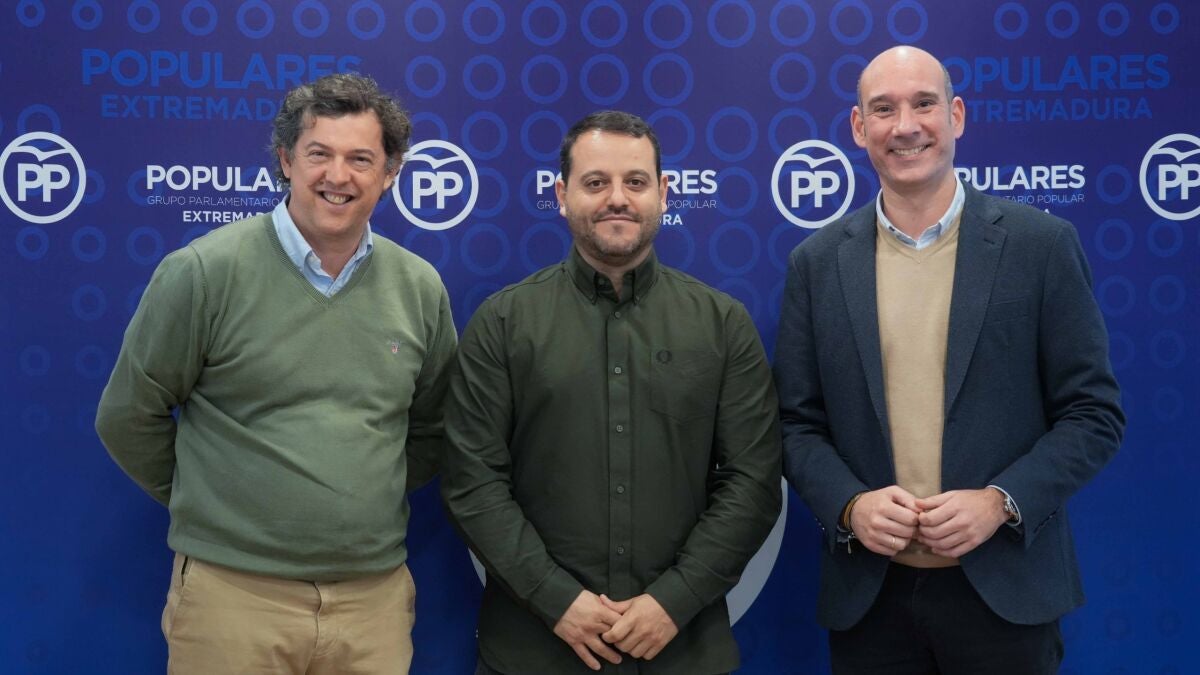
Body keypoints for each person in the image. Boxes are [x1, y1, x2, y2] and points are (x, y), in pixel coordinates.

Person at [775, 46, 1125, 674]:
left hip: (1006, 596)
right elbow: (795, 425)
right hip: (870, 602)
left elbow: (1093, 414)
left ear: (956, 115)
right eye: (883, 109)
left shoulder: (1041, 246)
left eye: (924, 104)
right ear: (858, 127)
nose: (905, 125)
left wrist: (1001, 501)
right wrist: (851, 506)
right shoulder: (816, 264)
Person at [95, 73, 456, 674]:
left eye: (360, 159)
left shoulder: (419, 287)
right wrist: (215, 500)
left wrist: (357, 497)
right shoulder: (203, 272)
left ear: (390, 173)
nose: (338, 175)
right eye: (319, 154)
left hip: (372, 603)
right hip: (234, 598)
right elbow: (128, 416)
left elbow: (434, 426)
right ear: (287, 161)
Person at [441, 110, 782, 674]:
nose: (617, 198)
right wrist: (556, 600)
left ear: (663, 193)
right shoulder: (503, 323)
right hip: (533, 651)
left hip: (681, 649)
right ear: (562, 195)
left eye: (635, 182)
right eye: (596, 182)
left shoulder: (723, 325)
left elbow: (754, 482)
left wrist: (673, 601)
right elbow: (472, 482)